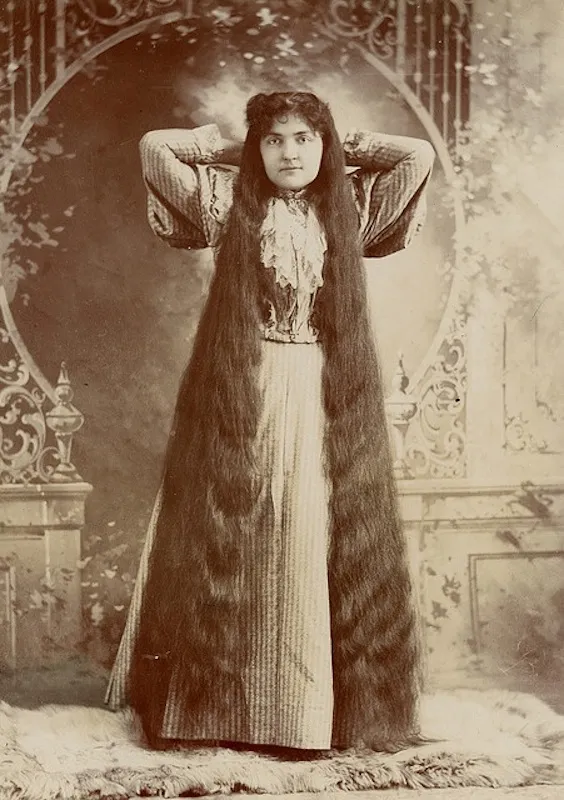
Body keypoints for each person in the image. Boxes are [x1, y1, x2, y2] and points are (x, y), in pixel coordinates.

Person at [106, 91, 435, 754]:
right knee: (237, 528)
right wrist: (229, 146)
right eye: (276, 139)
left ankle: (301, 718)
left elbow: (417, 155)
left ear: (324, 145)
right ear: (258, 148)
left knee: (308, 533)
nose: (291, 152)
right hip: (242, 386)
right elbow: (155, 151)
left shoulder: (351, 206)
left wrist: (350, 146)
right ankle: (218, 716)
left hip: (319, 388)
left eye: (305, 139)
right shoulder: (231, 204)